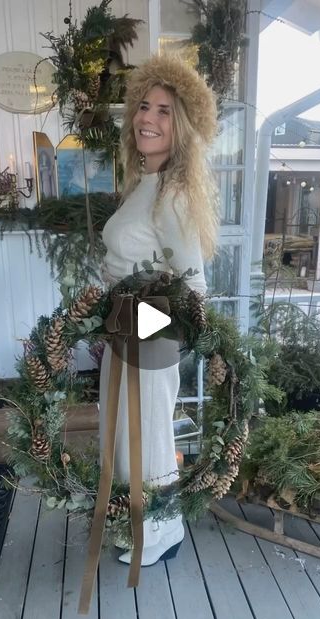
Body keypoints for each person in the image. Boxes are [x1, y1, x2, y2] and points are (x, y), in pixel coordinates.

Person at [98, 52, 219, 566]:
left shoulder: (171, 195)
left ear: (183, 126)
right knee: (125, 435)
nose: (147, 118)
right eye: (144, 107)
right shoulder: (141, 184)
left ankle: (161, 531)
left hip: (146, 338)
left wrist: (141, 327)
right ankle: (137, 523)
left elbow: (194, 288)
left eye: (164, 111)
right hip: (122, 333)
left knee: (145, 435)